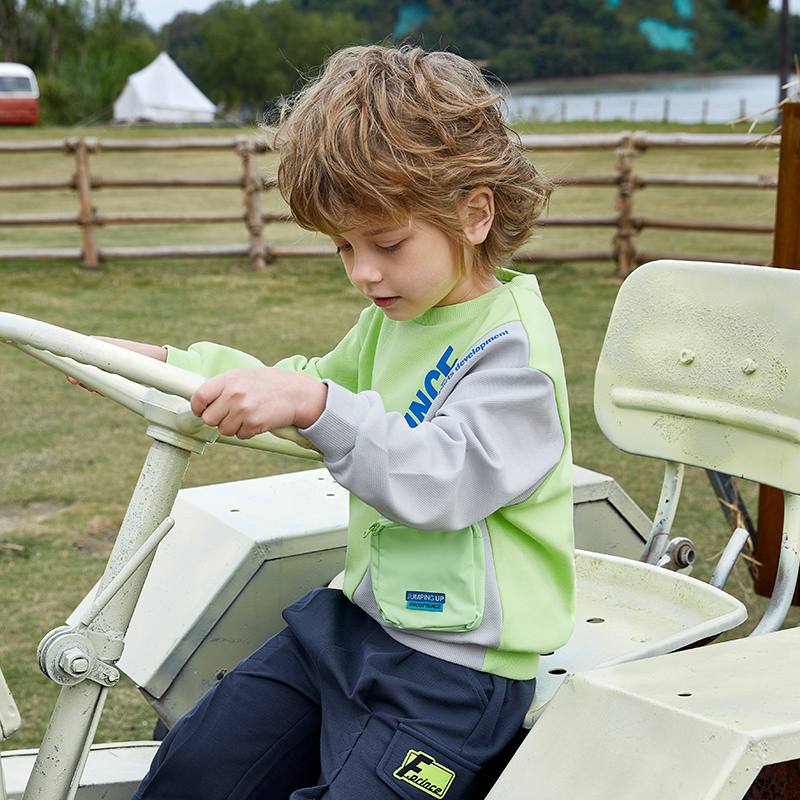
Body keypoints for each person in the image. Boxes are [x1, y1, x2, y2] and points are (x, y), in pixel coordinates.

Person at [102, 44, 575, 800]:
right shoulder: (393, 320)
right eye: (344, 247)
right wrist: (163, 362)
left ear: (474, 212)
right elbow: (305, 383)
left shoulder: (511, 353)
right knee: (196, 767)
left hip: (456, 674)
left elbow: (443, 481)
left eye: (386, 244)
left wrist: (319, 409)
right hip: (352, 628)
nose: (362, 272)